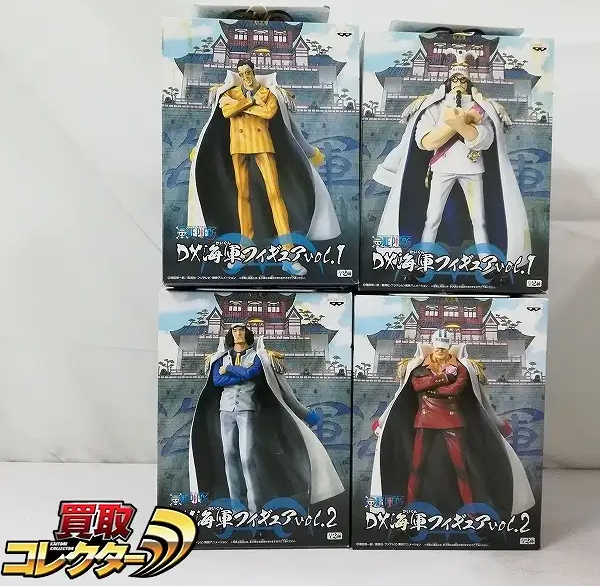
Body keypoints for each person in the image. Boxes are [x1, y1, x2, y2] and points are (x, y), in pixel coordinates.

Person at [372, 52, 531, 271]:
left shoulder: (481, 107)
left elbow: (486, 140)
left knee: (479, 220)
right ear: (448, 80)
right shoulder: (434, 106)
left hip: (472, 168)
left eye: (462, 79)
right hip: (442, 167)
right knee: (432, 218)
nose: (458, 83)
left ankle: (487, 262)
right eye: (455, 78)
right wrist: (453, 125)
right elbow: (425, 142)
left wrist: (462, 125)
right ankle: (422, 262)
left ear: (468, 82)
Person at [187, 59, 341, 277]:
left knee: (275, 195)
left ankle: (288, 252)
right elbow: (227, 112)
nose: (246, 77)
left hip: (263, 145)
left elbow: (269, 113)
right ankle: (245, 248)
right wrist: (252, 103)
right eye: (242, 73)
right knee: (242, 197)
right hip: (237, 147)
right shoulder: (230, 94)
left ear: (253, 72)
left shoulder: (267, 94)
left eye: (248, 72)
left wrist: (244, 107)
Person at [369, 328, 535, 518]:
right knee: (416, 467)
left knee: (461, 468)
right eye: (438, 348)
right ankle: (409, 508)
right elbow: (409, 390)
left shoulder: (463, 368)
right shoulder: (418, 367)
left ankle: (471, 510)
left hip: (452, 420)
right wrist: (445, 377)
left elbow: (463, 393)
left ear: (448, 348)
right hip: (425, 420)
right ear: (433, 346)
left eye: (443, 348)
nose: (440, 351)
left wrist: (431, 388)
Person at [188, 323, 344, 513]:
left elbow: (251, 374)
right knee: (229, 456)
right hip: (226, 410)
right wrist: (239, 374)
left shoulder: (258, 357)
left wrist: (229, 369)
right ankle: (237, 507)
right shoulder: (220, 358)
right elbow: (217, 380)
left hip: (247, 409)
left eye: (241, 330)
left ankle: (254, 508)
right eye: (235, 330)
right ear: (230, 335)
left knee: (247, 458)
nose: (238, 333)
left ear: (247, 334)